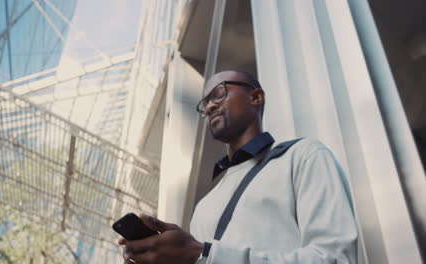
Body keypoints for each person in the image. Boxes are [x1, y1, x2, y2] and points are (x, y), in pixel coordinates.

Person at [118, 70, 358, 263]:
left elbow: (335, 258)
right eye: (205, 102)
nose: (210, 106)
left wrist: (202, 253)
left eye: (219, 93)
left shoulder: (303, 156)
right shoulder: (204, 207)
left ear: (256, 97)